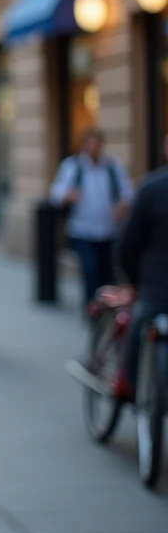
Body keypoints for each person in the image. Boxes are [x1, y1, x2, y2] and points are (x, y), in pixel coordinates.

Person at [50, 128, 134, 310]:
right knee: (90, 269)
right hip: (82, 229)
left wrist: (121, 205)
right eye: (90, 143)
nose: (94, 147)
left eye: (97, 143)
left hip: (108, 229)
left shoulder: (113, 167)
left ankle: (105, 307)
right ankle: (91, 307)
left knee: (106, 272)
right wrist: (67, 195)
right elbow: (55, 193)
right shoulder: (73, 166)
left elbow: (128, 192)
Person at [117, 133, 168, 394]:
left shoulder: (151, 188)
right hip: (155, 288)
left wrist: (134, 280)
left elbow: (127, 244)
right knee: (138, 324)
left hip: (152, 287)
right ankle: (133, 385)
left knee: (138, 325)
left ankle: (133, 386)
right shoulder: (152, 188)